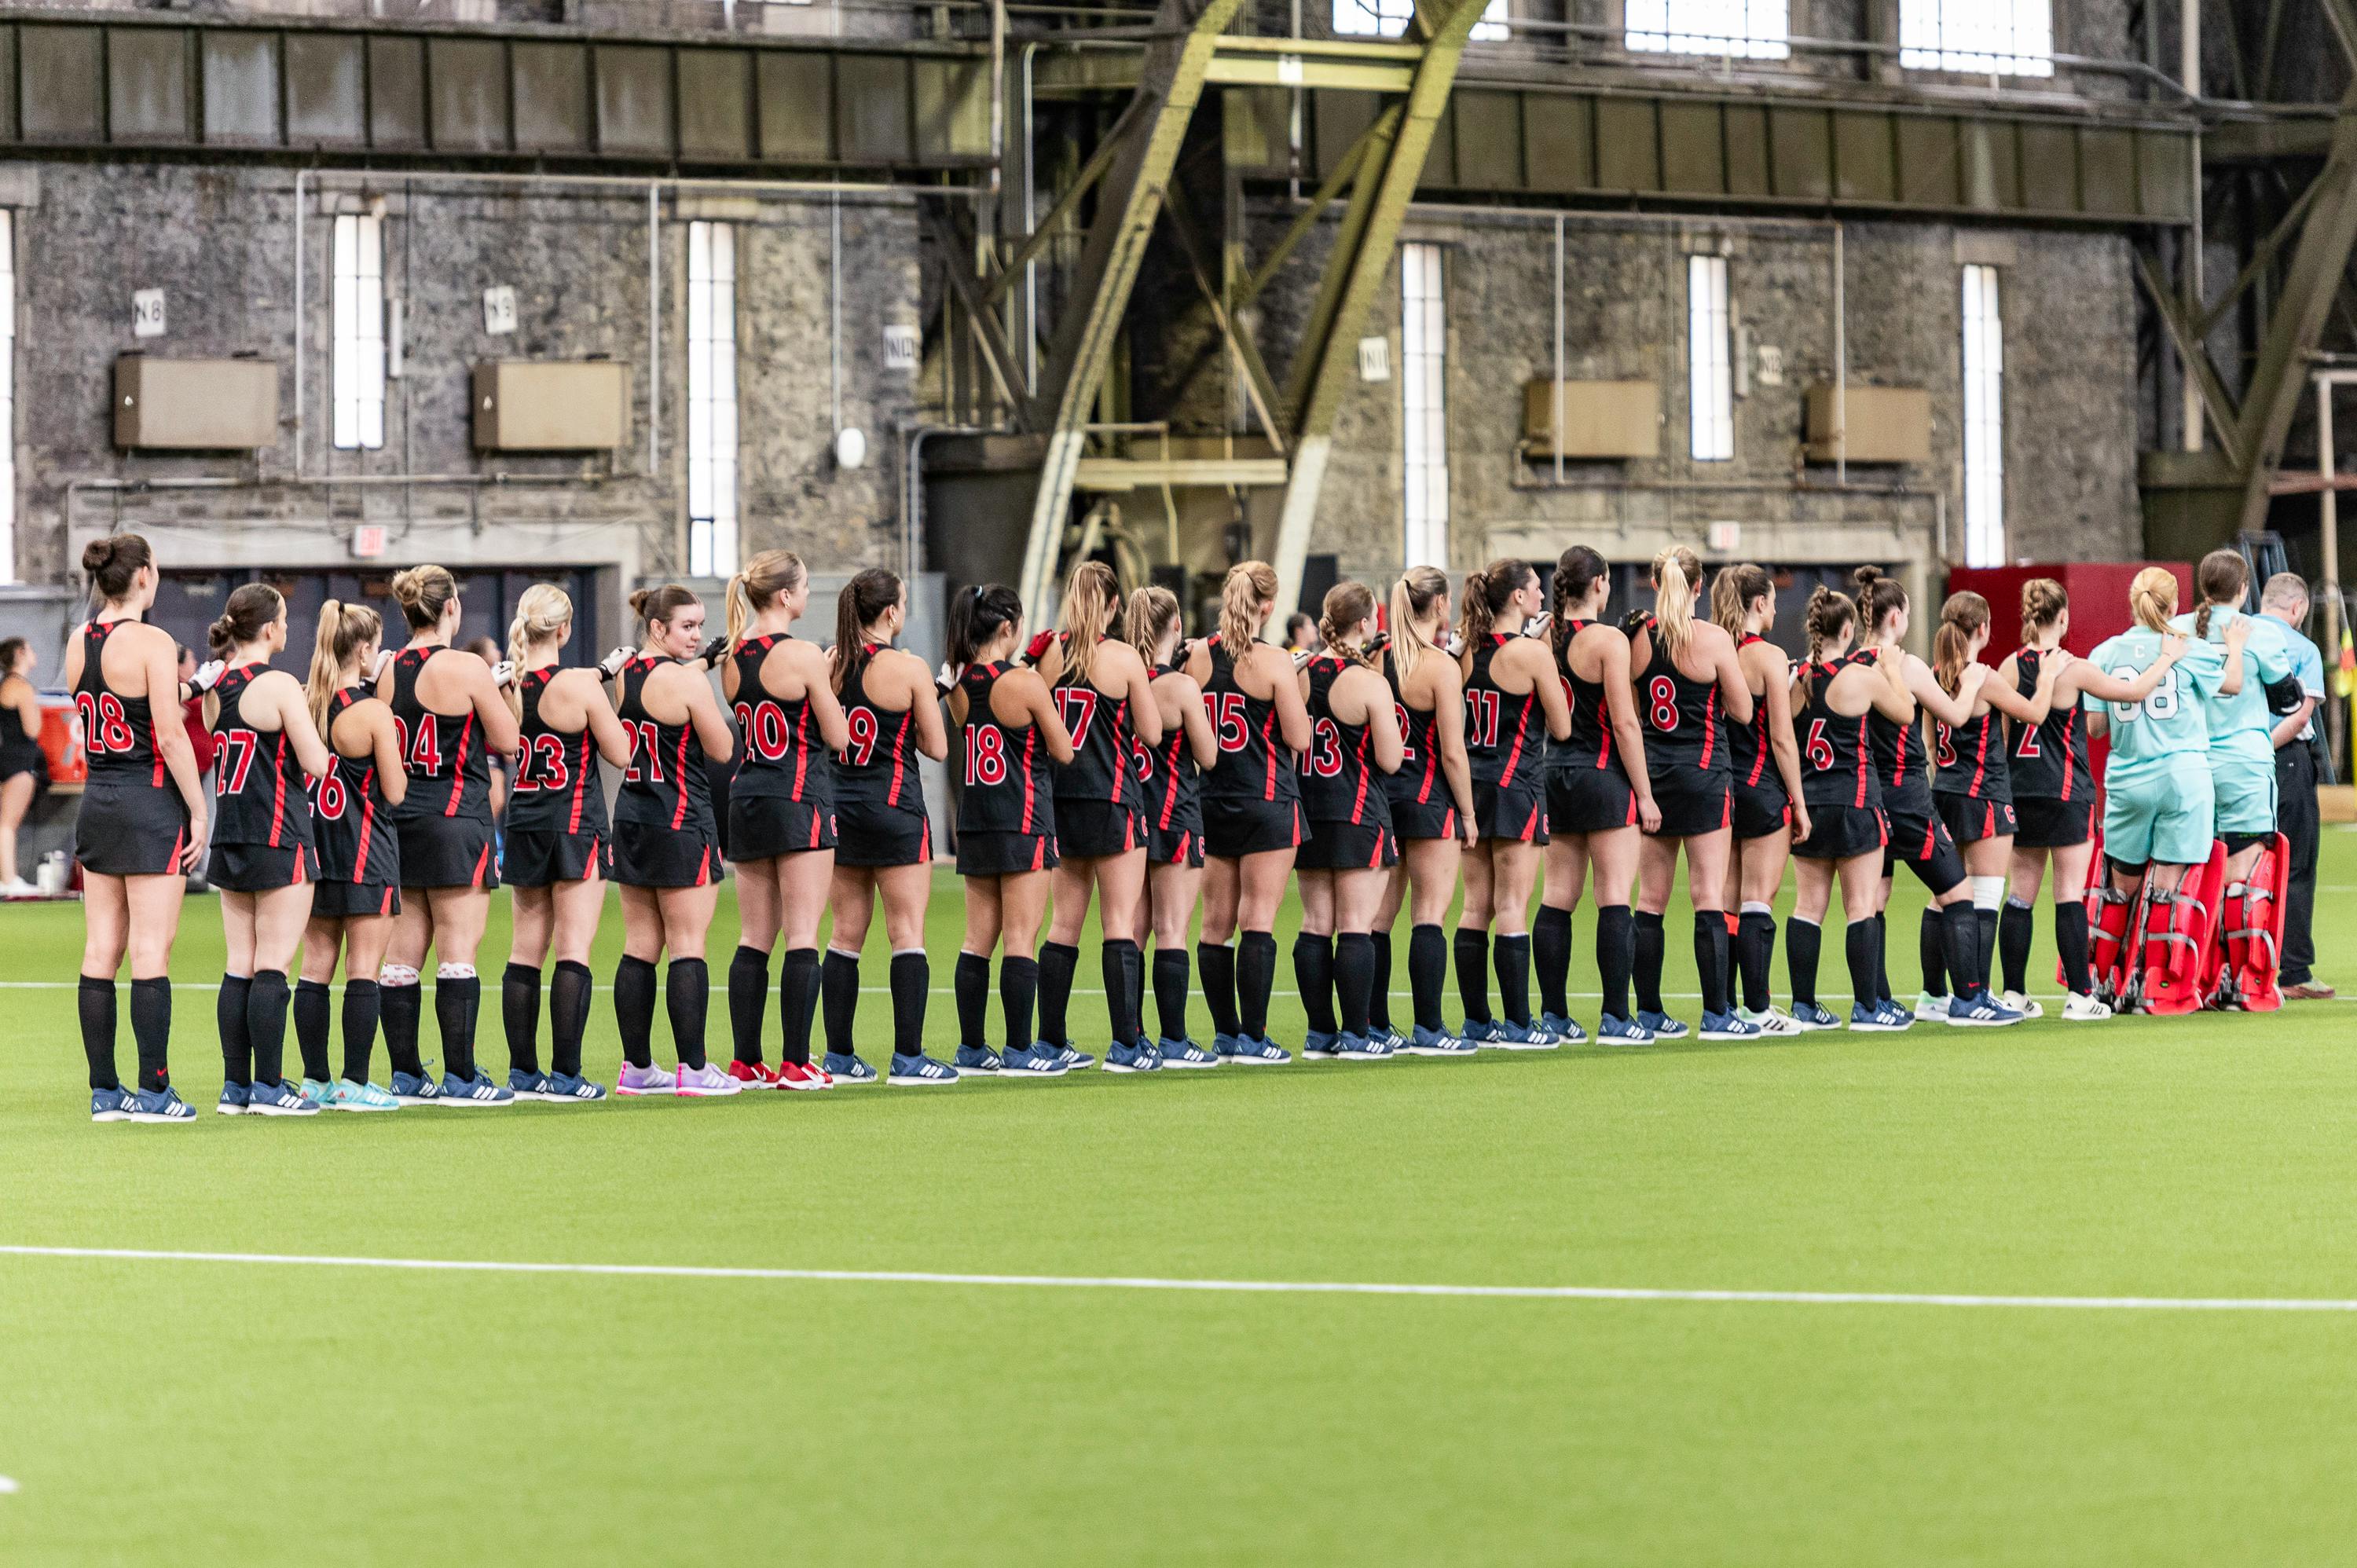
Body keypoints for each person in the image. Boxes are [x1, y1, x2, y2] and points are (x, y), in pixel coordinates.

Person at [68, 534, 208, 1123]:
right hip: (148, 802)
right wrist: (198, 809)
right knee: (151, 949)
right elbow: (170, 735)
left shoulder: (79, 639)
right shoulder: (153, 640)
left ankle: (106, 1091)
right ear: (144, 576)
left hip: (98, 800)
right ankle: (155, 1090)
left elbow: (103, 712)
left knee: (102, 948)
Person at [1848, 566, 2019, 1028]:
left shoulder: (1851, 666)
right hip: (1907, 796)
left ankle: (1875, 1002)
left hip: (1866, 794)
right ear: (1896, 617)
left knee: (1873, 899)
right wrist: (1973, 685)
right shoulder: (1907, 666)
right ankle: (1968, 1000)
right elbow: (1957, 715)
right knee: (1958, 893)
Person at [378, 564, 523, 1105]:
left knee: (401, 960)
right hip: (457, 817)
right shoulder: (466, 666)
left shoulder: (388, 668)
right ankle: (461, 1077)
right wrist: (500, 690)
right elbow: (508, 740)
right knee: (457, 953)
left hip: (401, 819)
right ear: (451, 608)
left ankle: (406, 1075)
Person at [1996, 581, 2174, 1019]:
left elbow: (2003, 737)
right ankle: (2079, 995)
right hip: (2066, 792)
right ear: (2063, 618)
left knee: (2019, 895)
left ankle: (2014, 993)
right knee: (2068, 894)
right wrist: (2167, 658)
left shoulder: (2009, 667)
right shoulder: (2073, 669)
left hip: (2022, 791)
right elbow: (2133, 692)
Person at [717, 551, 848, 1089]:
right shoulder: (803, 654)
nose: (809, 594)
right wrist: (828, 680)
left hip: (747, 798)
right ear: (786, 595)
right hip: (797, 799)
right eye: (806, 585)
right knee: (802, 934)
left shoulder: (731, 655)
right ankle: (796, 1061)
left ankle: (746, 1060)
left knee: (753, 936)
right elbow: (838, 736)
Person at [1030, 560, 1164, 1072]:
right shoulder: (1123, 657)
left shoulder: (1051, 654)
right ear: (1113, 604)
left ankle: (1050, 1041)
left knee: (1064, 923)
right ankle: (1126, 1044)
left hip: (1061, 800)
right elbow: (1151, 732)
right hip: (1113, 798)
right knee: (1119, 923)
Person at [204, 584, 334, 1117]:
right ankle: (271, 1086)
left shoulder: (216, 686)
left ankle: (236, 1087)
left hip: (232, 833)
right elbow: (317, 763)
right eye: (282, 619)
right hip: (278, 833)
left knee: (240, 963)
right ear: (268, 628)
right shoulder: (278, 683)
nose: (286, 628)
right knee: (274, 964)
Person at [2084, 569, 2237, 1013]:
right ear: (2174, 606)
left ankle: (2103, 980)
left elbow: (2096, 727)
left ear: (2132, 603)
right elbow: (2231, 686)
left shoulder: (2104, 653)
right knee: (2167, 888)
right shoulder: (2191, 649)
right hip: (2183, 777)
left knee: (2121, 888)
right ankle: (2150, 982)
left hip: (2128, 780)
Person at [501, 585, 633, 1101]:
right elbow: (621, 753)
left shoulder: (510, 683)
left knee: (525, 950)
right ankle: (567, 1075)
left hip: (525, 823)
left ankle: (523, 1072)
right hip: (576, 825)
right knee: (573, 949)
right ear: (564, 630)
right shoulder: (579, 685)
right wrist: (611, 687)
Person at [823, 569, 955, 1085]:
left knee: (844, 934)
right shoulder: (909, 667)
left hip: (841, 810)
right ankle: (909, 1058)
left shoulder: (830, 663)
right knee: (906, 933)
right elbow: (937, 746)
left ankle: (839, 1056)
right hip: (895, 810)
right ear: (891, 613)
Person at [609, 584, 738, 1097]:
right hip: (681, 820)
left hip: (634, 819)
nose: (697, 636)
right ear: (658, 627)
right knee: (688, 946)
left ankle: (637, 1069)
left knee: (640, 946)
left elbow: (661, 690)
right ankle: (694, 1068)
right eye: (687, 626)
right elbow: (722, 748)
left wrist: (701, 664)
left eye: (700, 626)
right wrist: (704, 680)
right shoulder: (687, 684)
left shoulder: (626, 673)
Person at [947, 582, 1075, 1078]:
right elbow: (1063, 750)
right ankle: (1021, 1050)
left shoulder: (958, 683)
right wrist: (1043, 678)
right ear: (1007, 627)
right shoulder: (1026, 683)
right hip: (1022, 820)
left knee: (976, 939)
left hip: (977, 820)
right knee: (1021, 937)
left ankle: (972, 1048)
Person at [1186, 561, 1310, 1064]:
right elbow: (1299, 738)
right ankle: (1254, 1039)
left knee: (1214, 924)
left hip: (1212, 801)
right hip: (1266, 801)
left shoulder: (1198, 655)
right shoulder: (1276, 661)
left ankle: (1225, 1034)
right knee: (1256, 919)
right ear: (1268, 606)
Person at [1628, 546, 1754, 1039]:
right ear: (1699, 587)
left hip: (1654, 780)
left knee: (1651, 900)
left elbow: (1633, 710)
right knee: (1708, 897)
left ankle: (1649, 1012)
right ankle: (1718, 1014)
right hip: (1704, 778)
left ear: (1655, 584)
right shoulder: (1714, 639)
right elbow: (1742, 711)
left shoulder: (1638, 638)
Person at [1538, 547, 1658, 1046]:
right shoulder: (1609, 640)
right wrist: (1645, 795)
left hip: (1555, 773)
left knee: (1557, 896)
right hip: (1604, 775)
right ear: (1601, 584)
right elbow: (1625, 724)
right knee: (1614, 896)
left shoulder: (1544, 636)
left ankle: (1553, 1015)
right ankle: (1615, 1017)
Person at [295, 599, 408, 1112]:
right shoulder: (372, 712)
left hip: (318, 849)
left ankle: (315, 1080)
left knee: (315, 965)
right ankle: (355, 1082)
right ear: (363, 651)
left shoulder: (305, 703)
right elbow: (396, 790)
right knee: (364, 967)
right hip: (366, 850)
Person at [1926, 591, 2062, 1014]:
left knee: (1942, 896)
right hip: (1984, 794)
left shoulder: (1935, 673)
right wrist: (2047, 677)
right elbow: (2034, 714)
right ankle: (1978, 995)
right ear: (1983, 628)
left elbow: (1930, 743)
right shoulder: (1981, 676)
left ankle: (1933, 995)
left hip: (1945, 791)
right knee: (1985, 894)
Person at [2172, 551, 2297, 1011]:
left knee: (2193, 872)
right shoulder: (2259, 632)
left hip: (2191, 765)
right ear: (2244, 589)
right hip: (2244, 764)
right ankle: (2240, 981)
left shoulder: (2179, 629)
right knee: (2245, 878)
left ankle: (2193, 977)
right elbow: (2289, 699)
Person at [1457, 558, 1573, 1046]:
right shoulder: (1529, 653)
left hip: (1470, 786)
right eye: (1536, 589)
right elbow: (1562, 726)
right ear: (1518, 598)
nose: (1544, 597)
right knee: (1511, 906)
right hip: (1516, 787)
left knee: (1474, 907)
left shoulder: (1464, 648)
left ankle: (1477, 1021)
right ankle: (1520, 1024)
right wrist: (1543, 651)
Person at [1783, 588, 1906, 1031]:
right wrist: (1891, 669)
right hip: (1856, 804)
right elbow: (1906, 713)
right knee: (1861, 906)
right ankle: (1868, 1008)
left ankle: (1804, 1006)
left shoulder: (1797, 678)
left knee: (1807, 906)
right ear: (1849, 629)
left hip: (1811, 806)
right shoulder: (1859, 676)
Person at [1373, 566, 1481, 1056]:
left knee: (1378, 918)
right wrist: (1469, 814)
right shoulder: (1439, 667)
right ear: (1439, 604)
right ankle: (1430, 1028)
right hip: (1428, 799)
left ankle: (1374, 1025)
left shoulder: (1380, 658)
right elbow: (1453, 753)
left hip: (1383, 798)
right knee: (1429, 915)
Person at [1295, 582, 1405, 1061]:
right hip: (1357, 811)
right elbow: (1391, 759)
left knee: (1316, 923)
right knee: (1356, 925)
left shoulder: (1300, 672)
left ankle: (1320, 1034)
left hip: (1309, 809)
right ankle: (1358, 1035)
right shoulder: (1368, 682)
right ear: (1364, 623)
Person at [1710, 563, 1809, 1035]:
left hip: (1720, 787)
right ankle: (1757, 1008)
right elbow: (1783, 739)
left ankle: (1725, 1009)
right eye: (1772, 601)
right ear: (1760, 603)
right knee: (1758, 901)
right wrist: (1800, 803)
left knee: (1726, 904)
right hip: (1762, 787)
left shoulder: (1712, 646)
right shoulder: (1769, 655)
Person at [1124, 585, 1221, 1067]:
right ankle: (1175, 1040)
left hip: (1131, 812)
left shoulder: (1121, 679)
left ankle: (1132, 1037)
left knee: (1132, 932)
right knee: (1172, 930)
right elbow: (1209, 755)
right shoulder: (1181, 688)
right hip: (1176, 813)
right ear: (1177, 627)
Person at [2259, 572, 2331, 999]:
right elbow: (2301, 715)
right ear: (2298, 607)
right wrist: (2263, 749)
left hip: (2229, 762)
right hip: (2285, 759)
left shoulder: (2235, 637)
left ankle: (2233, 964)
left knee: (2238, 861)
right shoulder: (2302, 648)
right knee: (2297, 863)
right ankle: (2293, 971)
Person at [0, 636, 49, 894]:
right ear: (20, 653)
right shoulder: (20, 686)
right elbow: (33, 729)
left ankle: (8, 879)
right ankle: (9, 880)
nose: (34, 653)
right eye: (29, 649)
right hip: (19, 760)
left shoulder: (6, 685)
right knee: (7, 823)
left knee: (6, 822)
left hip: (8, 756)